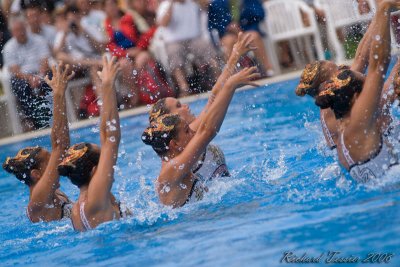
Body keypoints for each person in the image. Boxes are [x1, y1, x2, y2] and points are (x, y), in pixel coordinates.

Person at [142, 63, 260, 207]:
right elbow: (207, 131)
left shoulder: (177, 158)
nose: (193, 132)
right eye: (187, 130)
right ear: (174, 143)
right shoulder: (171, 170)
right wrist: (230, 86)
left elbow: (212, 103)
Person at [147, 32, 255, 180]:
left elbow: (213, 98)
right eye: (178, 106)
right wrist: (230, 85)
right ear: (170, 118)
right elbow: (208, 130)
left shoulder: (189, 133)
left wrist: (234, 56)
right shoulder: (175, 163)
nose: (185, 106)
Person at [313, 0, 400, 182]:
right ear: (355, 98)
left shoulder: (345, 126)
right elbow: (378, 66)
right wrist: (384, 9)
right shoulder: (359, 124)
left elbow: (366, 60)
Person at [295, 0, 396, 150]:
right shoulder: (343, 107)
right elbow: (387, 84)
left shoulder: (335, 95)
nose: (347, 69)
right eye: (341, 70)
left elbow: (361, 56)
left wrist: (380, 14)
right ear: (329, 84)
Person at [57, 56, 128, 231]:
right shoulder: (96, 196)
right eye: (102, 156)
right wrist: (108, 86)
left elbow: (105, 137)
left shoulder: (77, 207)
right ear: (96, 170)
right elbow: (111, 138)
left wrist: (58, 95)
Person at [2, 62, 75, 222]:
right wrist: (58, 94)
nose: (58, 161)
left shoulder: (54, 193)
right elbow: (60, 146)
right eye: (50, 161)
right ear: (36, 174)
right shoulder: (39, 200)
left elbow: (60, 145)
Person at [156, 0, 220, 96]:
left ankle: (219, 79)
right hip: (174, 41)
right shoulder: (166, 4)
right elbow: (163, 24)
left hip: (194, 39)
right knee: (174, 52)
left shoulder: (193, 2)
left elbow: (207, 5)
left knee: (207, 48)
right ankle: (184, 88)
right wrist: (171, 5)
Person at [3, 16, 52, 130]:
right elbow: (15, 70)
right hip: (23, 77)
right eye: (17, 30)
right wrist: (30, 78)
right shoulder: (9, 47)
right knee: (20, 86)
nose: (21, 33)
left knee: (52, 79)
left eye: (22, 29)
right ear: (12, 32)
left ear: (26, 28)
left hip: (40, 73)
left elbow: (45, 62)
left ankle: (54, 112)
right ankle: (34, 119)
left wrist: (39, 77)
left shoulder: (38, 40)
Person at [207, 0, 274, 76]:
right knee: (227, 42)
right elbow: (213, 25)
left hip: (247, 30)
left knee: (253, 36)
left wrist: (242, 24)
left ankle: (268, 69)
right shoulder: (217, 3)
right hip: (229, 34)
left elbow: (260, 14)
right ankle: (231, 75)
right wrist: (228, 27)